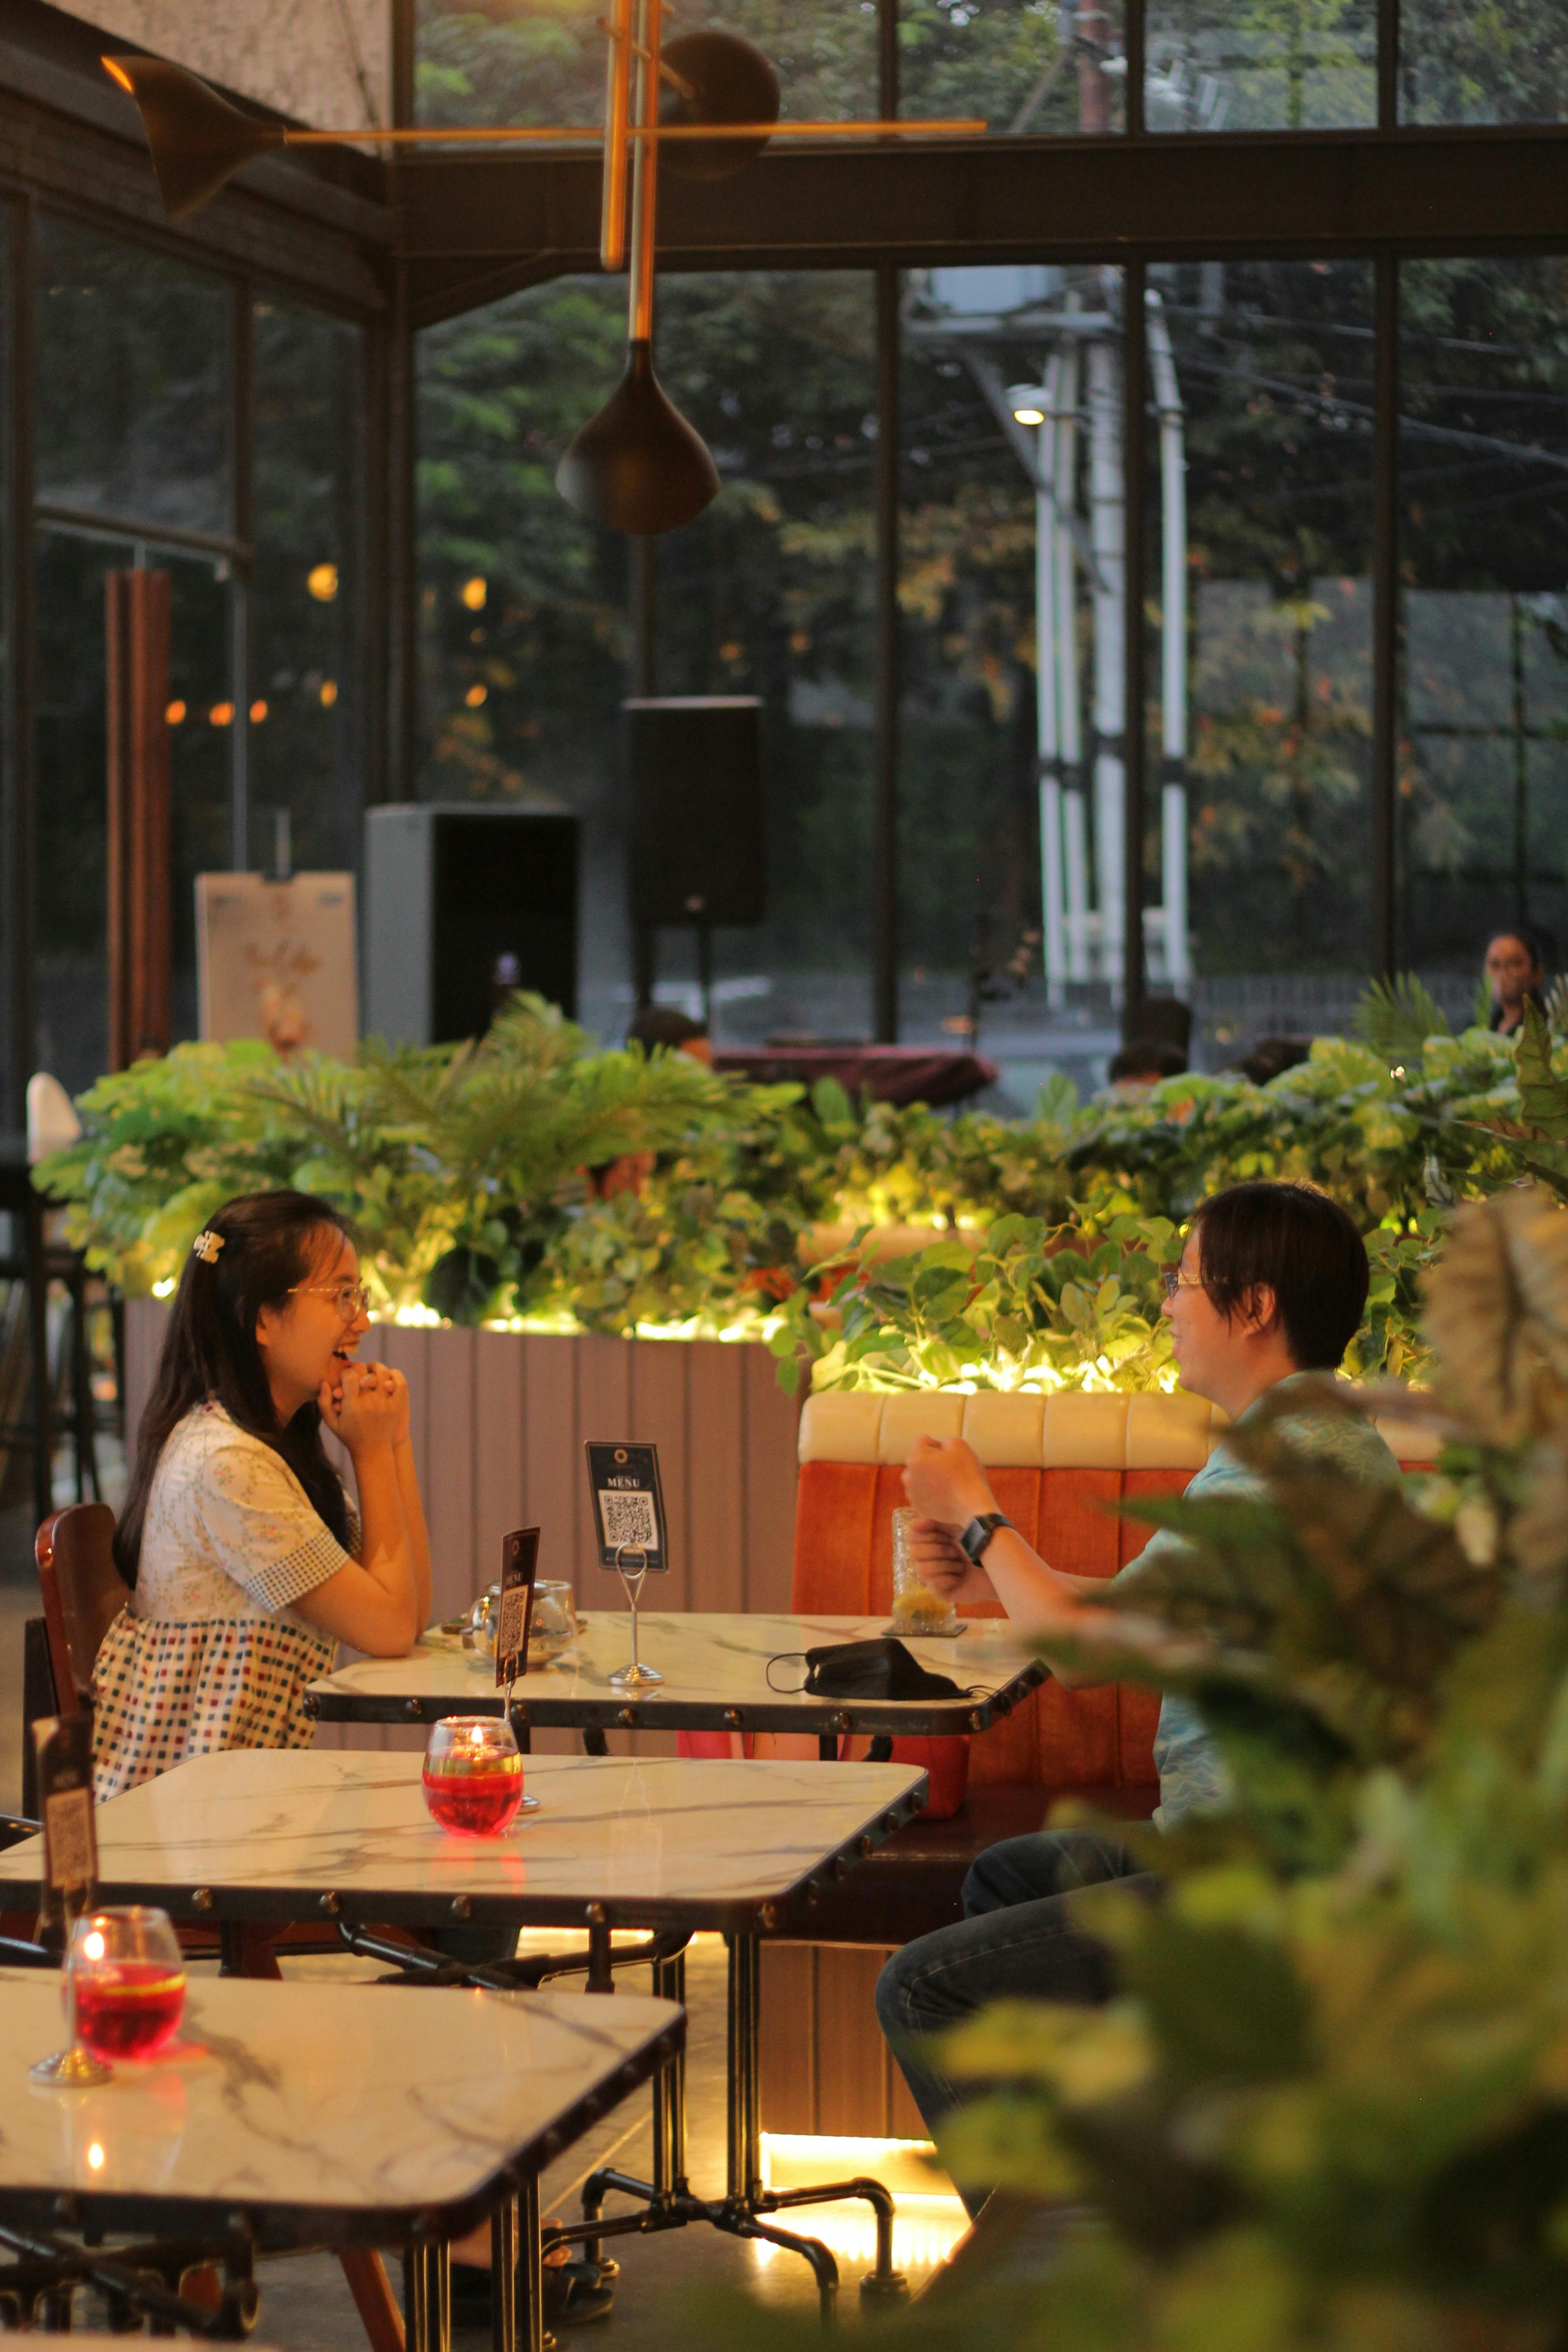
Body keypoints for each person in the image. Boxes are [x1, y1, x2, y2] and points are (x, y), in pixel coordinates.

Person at [874, 1180, 1399, 2176]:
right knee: (1007, 1876)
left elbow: (1080, 1653)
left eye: (1185, 1281)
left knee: (924, 1990)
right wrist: (995, 1564)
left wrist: (983, 1515)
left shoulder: (1278, 1469)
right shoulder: (1320, 1441)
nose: (1167, 1302)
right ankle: (1118, 2171)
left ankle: (1036, 2263)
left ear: (1256, 1308)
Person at [94, 1190, 429, 1802]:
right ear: (263, 1319)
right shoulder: (227, 1465)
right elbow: (391, 1628)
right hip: (179, 1827)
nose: (362, 1320)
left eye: (360, 1296)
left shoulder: (270, 1449)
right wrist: (374, 1453)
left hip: (241, 1803)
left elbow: (407, 1608)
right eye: (341, 1296)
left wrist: (392, 1441)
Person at [1485, 928, 1550, 1036]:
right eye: (1495, 965)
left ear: (1537, 974)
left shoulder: (1550, 1027)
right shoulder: (1485, 1028)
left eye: (1513, 964)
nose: (1502, 973)